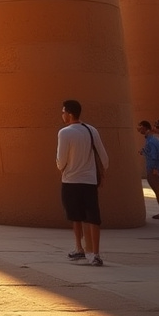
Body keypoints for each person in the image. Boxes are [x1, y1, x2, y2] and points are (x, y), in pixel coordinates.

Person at [57, 99, 109, 266]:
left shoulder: (64, 133)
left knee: (76, 216)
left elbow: (60, 161)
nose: (62, 115)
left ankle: (80, 247)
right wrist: (100, 172)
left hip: (71, 180)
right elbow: (104, 157)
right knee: (92, 217)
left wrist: (62, 166)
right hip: (89, 180)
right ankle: (94, 253)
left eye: (63, 112)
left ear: (70, 114)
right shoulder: (91, 130)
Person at [137, 120, 159, 219]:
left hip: (154, 169)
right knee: (158, 191)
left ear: (145, 127)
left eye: (140, 127)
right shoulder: (151, 140)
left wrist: (155, 168)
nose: (138, 129)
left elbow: (154, 155)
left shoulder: (151, 141)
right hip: (156, 167)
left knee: (158, 191)